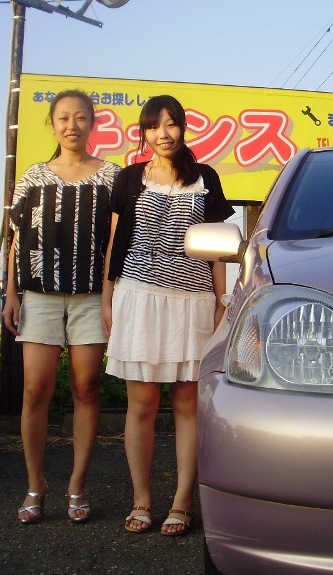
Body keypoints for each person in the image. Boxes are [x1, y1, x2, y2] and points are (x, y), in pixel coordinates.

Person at [102, 95, 234, 536]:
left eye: (172, 123)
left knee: (186, 404)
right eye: (155, 126)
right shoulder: (129, 178)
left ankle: (182, 502)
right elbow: (116, 241)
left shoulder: (205, 178)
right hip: (138, 297)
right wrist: (107, 296)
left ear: (183, 128)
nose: (164, 133)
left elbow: (218, 248)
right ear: (144, 132)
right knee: (141, 404)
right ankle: (141, 500)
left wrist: (221, 301)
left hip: (192, 300)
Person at [2, 89, 120, 524]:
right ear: (52, 124)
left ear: (93, 123)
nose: (72, 125)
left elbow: (116, 241)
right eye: (64, 118)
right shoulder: (34, 176)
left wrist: (109, 296)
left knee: (86, 388)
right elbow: (17, 240)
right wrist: (11, 295)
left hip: (91, 296)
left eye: (81, 117)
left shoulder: (112, 177)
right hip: (39, 296)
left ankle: (77, 484)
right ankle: (35, 484)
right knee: (35, 390)